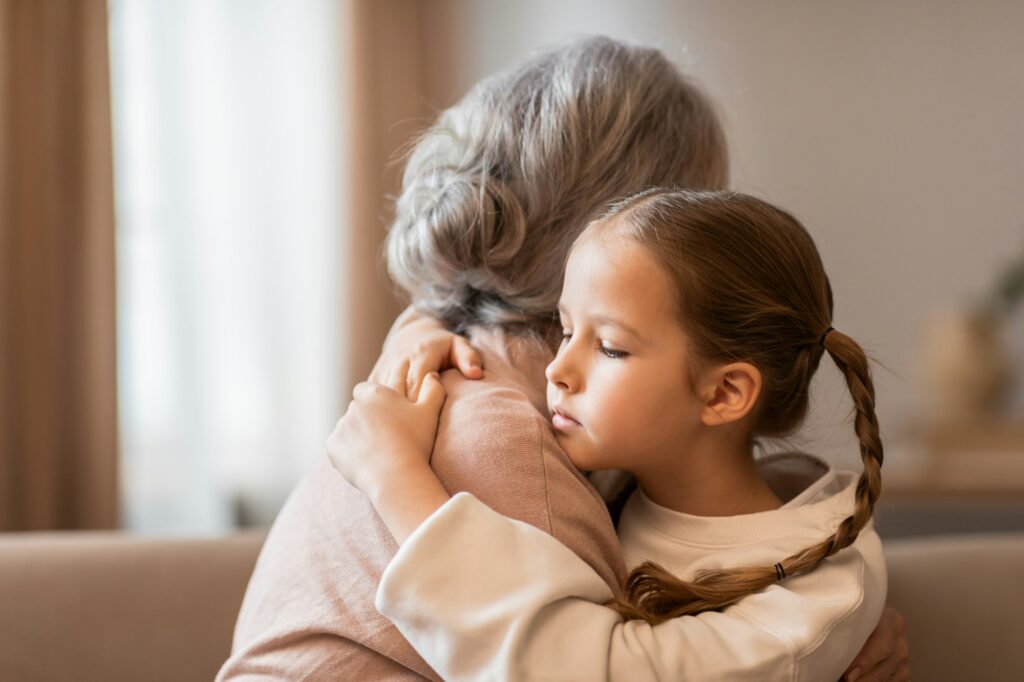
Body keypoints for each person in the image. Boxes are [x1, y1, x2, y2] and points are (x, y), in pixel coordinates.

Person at [219, 37, 907, 681]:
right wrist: (393, 474)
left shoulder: (582, 430)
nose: (558, 370)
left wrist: (814, 639)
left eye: (607, 343)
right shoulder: (510, 441)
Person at [330, 188, 893, 681]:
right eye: (567, 329)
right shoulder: (612, 474)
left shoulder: (811, 602)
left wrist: (395, 479)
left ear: (723, 394)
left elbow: (585, 670)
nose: (556, 369)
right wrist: (421, 332)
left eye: (610, 348)